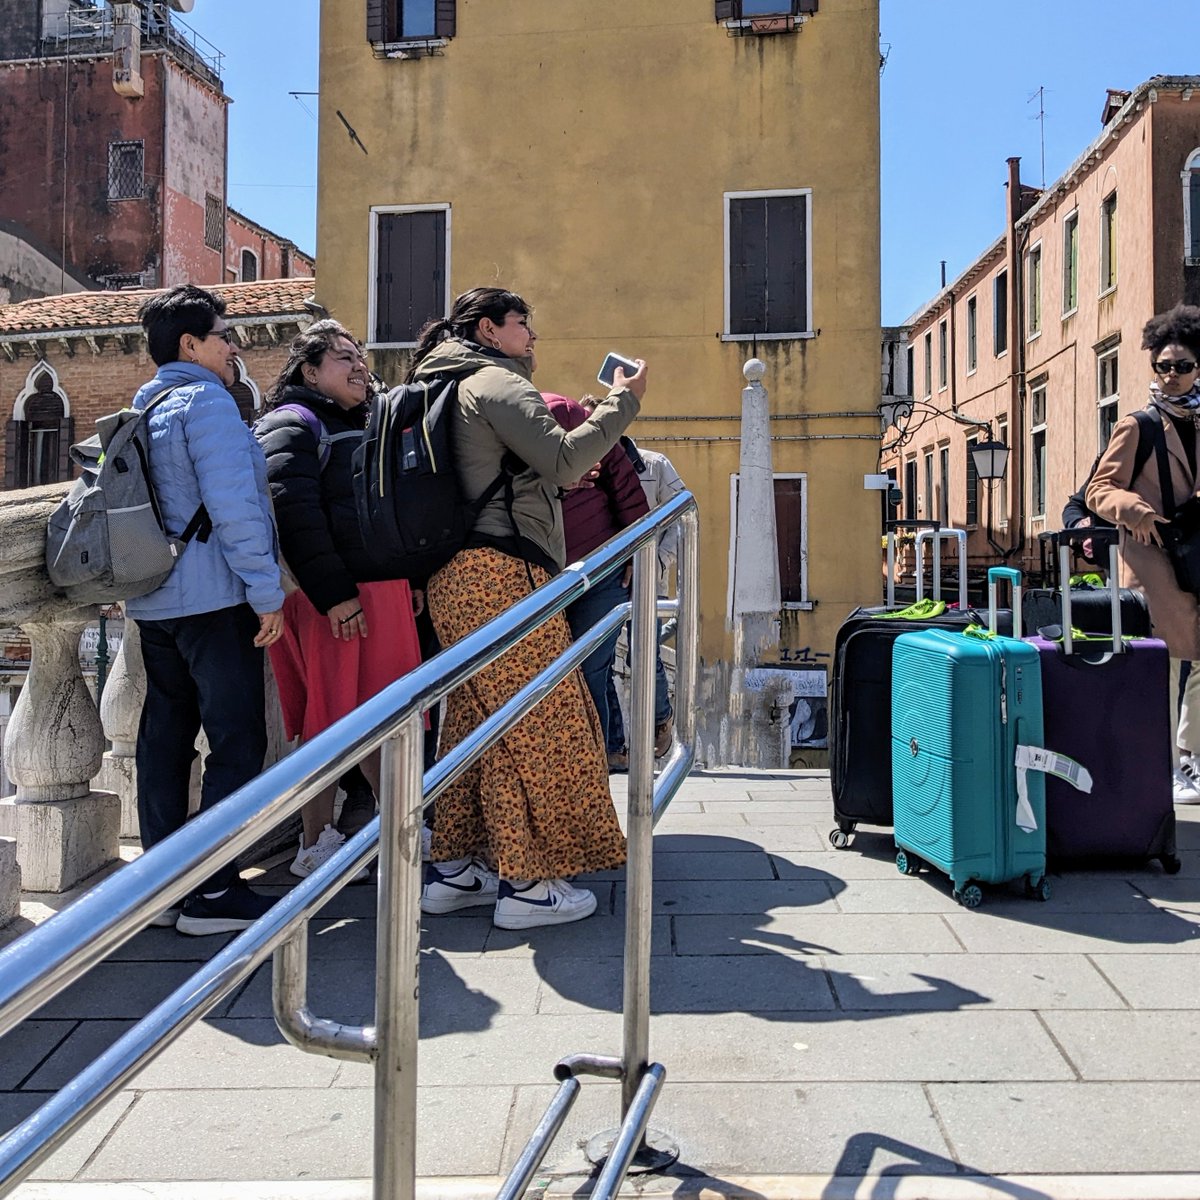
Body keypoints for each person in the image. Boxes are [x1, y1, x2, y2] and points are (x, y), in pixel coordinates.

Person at [409, 287, 644, 930]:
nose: (532, 337)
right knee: (543, 718)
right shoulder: (492, 380)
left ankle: (458, 867)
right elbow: (566, 461)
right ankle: (531, 885)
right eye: (523, 324)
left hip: (452, 574)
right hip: (501, 568)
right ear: (489, 329)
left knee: (477, 721)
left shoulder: (434, 384)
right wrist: (624, 400)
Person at [127, 285, 284, 936]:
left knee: (163, 742)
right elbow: (235, 508)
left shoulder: (144, 404)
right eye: (224, 335)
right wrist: (266, 591)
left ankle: (164, 889)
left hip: (153, 601)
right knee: (237, 742)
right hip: (215, 601)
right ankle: (212, 891)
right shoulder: (206, 405)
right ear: (192, 343)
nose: (232, 346)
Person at [254, 321, 425, 878]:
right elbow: (293, 513)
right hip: (338, 601)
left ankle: (395, 826)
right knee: (331, 724)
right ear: (309, 371)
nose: (360, 367)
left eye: (361, 358)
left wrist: (411, 580)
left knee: (387, 719)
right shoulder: (293, 423)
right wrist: (334, 595)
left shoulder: (366, 421)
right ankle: (314, 845)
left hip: (381, 593)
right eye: (344, 358)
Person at [1086, 303, 1200, 804]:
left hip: (1198, 549)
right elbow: (1098, 490)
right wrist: (1138, 511)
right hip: (1153, 556)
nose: (1171, 376)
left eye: (1182, 366)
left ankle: (1190, 756)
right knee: (1170, 659)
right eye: (1163, 366)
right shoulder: (1138, 425)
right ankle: (1170, 763)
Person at [544, 392, 649, 755]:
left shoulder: (565, 413)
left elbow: (625, 484)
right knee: (551, 682)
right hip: (541, 575)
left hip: (600, 566)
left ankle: (592, 780)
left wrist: (637, 551)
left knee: (589, 673)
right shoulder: (489, 429)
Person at [604, 435, 685, 770]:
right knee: (601, 661)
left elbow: (682, 515)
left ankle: (660, 719)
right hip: (604, 580)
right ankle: (614, 746)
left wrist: (659, 562)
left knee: (643, 656)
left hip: (647, 577)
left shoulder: (654, 464)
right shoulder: (588, 463)